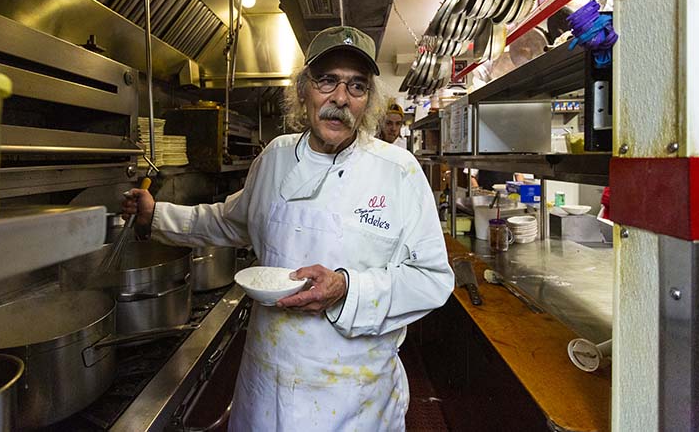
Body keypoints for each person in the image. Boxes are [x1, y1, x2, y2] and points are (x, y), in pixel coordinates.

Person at [122, 25, 453, 431]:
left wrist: (347, 289)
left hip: (354, 398)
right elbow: (228, 222)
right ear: (303, 90)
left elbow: (432, 279)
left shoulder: (399, 172)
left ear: (368, 102)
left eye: (357, 86)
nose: (340, 98)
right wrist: (155, 216)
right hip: (268, 383)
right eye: (327, 80)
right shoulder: (275, 157)